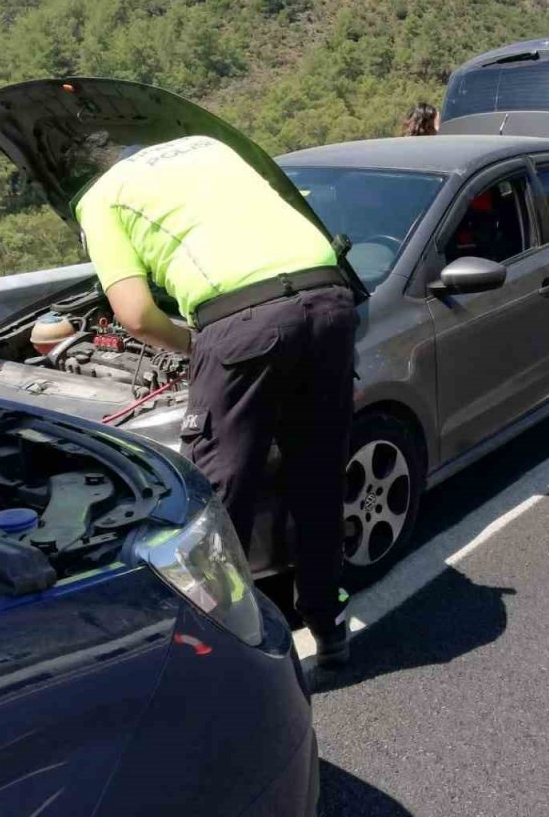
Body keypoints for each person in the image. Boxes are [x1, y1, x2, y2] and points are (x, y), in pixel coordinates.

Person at [73, 134, 359, 668]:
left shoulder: (100, 198)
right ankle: (329, 624)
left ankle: (219, 649)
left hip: (243, 320)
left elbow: (134, 315)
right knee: (318, 476)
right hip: (330, 297)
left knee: (219, 497)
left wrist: (193, 345)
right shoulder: (208, 146)